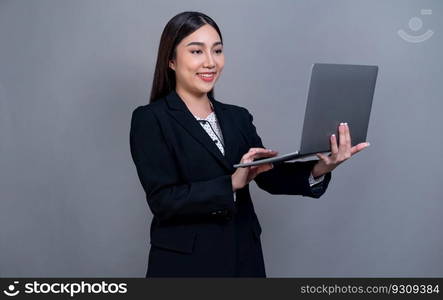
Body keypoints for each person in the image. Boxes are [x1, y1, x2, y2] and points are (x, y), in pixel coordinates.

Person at [129, 11, 369, 277]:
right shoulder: (151, 119)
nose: (210, 62)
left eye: (217, 51)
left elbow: (268, 177)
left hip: (243, 258)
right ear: (171, 60)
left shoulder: (237, 117)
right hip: (186, 266)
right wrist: (231, 183)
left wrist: (321, 168)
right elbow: (163, 200)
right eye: (197, 52)